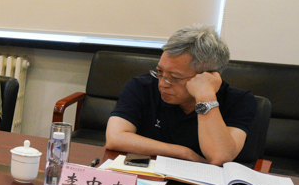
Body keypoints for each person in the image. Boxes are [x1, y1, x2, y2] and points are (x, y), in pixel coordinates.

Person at [106, 24, 257, 166]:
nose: (162, 83)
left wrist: (205, 97)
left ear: (205, 76)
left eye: (174, 77)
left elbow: (219, 157)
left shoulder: (240, 101)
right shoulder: (141, 86)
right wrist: (183, 153)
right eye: (160, 72)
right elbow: (115, 138)